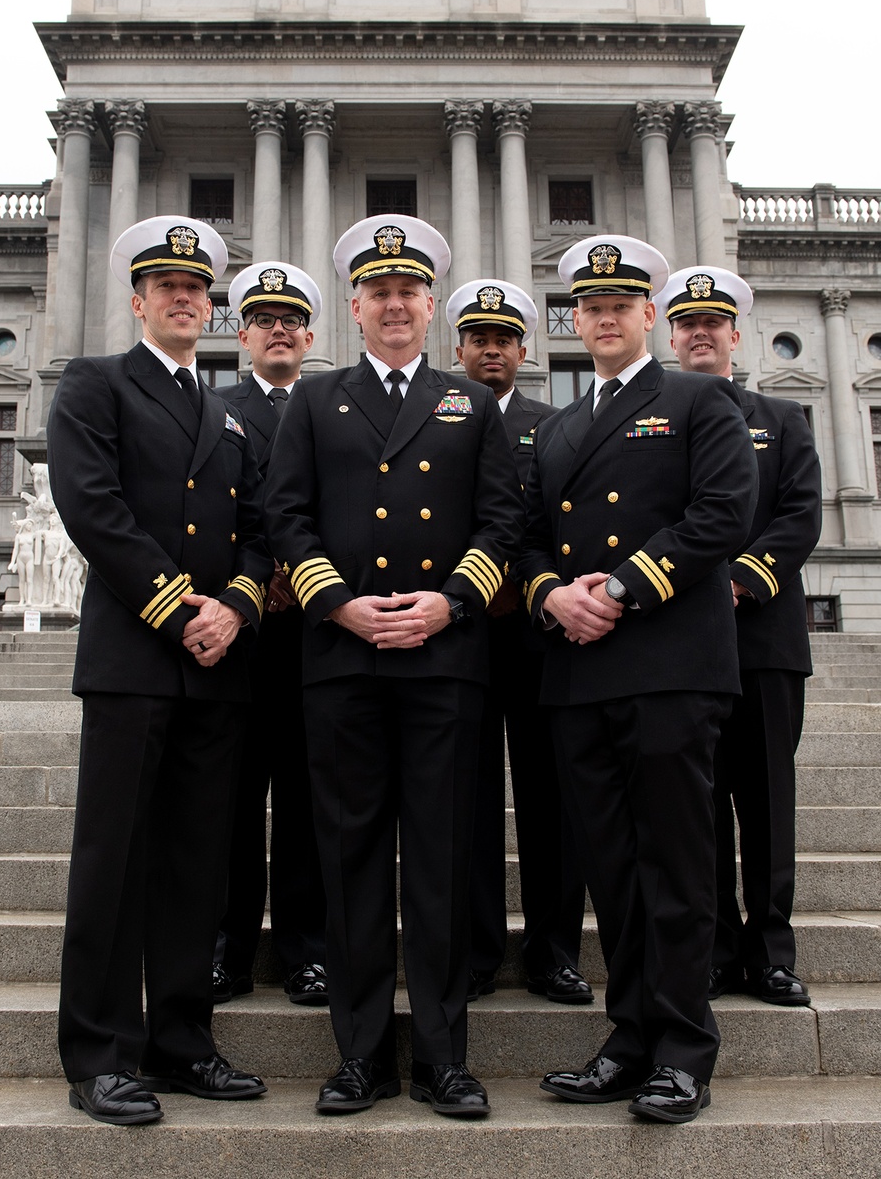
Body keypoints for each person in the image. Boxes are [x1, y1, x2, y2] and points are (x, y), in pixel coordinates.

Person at [263, 216, 524, 1120]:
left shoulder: (471, 403)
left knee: (445, 863)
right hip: (341, 658)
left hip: (445, 660)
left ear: (430, 304)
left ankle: (445, 1059)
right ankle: (361, 1055)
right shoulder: (313, 399)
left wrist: (450, 601)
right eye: (379, 292)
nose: (396, 304)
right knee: (352, 861)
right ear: (356, 305)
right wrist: (336, 600)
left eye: (410, 291)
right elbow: (284, 517)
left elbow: (503, 523)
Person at [518, 234, 757, 1124]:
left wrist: (619, 588)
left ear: (647, 316)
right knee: (612, 868)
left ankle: (684, 1051)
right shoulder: (559, 425)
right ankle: (628, 1037)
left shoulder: (697, 399)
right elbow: (531, 536)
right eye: (591, 308)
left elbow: (722, 514)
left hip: (667, 665)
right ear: (574, 321)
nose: (606, 319)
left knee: (677, 861)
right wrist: (552, 595)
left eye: (622, 306)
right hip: (580, 673)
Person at [47, 216, 271, 1126]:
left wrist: (241, 605)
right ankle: (100, 1053)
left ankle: (182, 1040)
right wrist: (183, 607)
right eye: (166, 286)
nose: (185, 299)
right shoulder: (95, 384)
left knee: (195, 866)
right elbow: (92, 508)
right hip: (136, 657)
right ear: (138, 300)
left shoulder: (225, 412)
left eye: (198, 289)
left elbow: (258, 530)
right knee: (116, 859)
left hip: (215, 666)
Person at [654, 265, 822, 1007]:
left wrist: (741, 579)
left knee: (765, 799)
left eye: (711, 323)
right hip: (684, 644)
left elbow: (798, 517)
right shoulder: (658, 422)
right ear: (672, 334)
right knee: (698, 803)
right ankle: (718, 946)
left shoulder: (780, 421)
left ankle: (772, 950)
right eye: (687, 324)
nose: (699, 333)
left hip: (762, 641)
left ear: (734, 333)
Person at [444, 279, 590, 1005]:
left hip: (537, 635)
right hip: (461, 636)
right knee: (465, 799)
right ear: (459, 349)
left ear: (523, 350)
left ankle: (553, 950)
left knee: (550, 798)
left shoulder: (557, 426)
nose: (492, 349)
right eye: (479, 338)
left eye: (504, 339)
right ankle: (474, 949)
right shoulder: (436, 419)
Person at [212, 261, 328, 1007]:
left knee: (309, 800)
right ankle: (226, 948)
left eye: (291, 320)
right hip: (241, 635)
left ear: (309, 335)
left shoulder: (333, 406)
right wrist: (254, 586)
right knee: (229, 799)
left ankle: (307, 950)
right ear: (243, 334)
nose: (279, 330)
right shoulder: (209, 408)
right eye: (265, 320)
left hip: (319, 634)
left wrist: (314, 582)